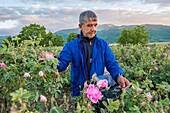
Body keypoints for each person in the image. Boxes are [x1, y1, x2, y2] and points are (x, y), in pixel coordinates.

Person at [57, 10, 130, 99]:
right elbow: (61, 64)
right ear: (80, 26)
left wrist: (118, 76)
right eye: (89, 25)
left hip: (97, 91)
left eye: (95, 25)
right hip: (79, 91)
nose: (93, 29)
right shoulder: (71, 46)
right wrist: (50, 61)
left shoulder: (102, 45)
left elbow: (111, 64)